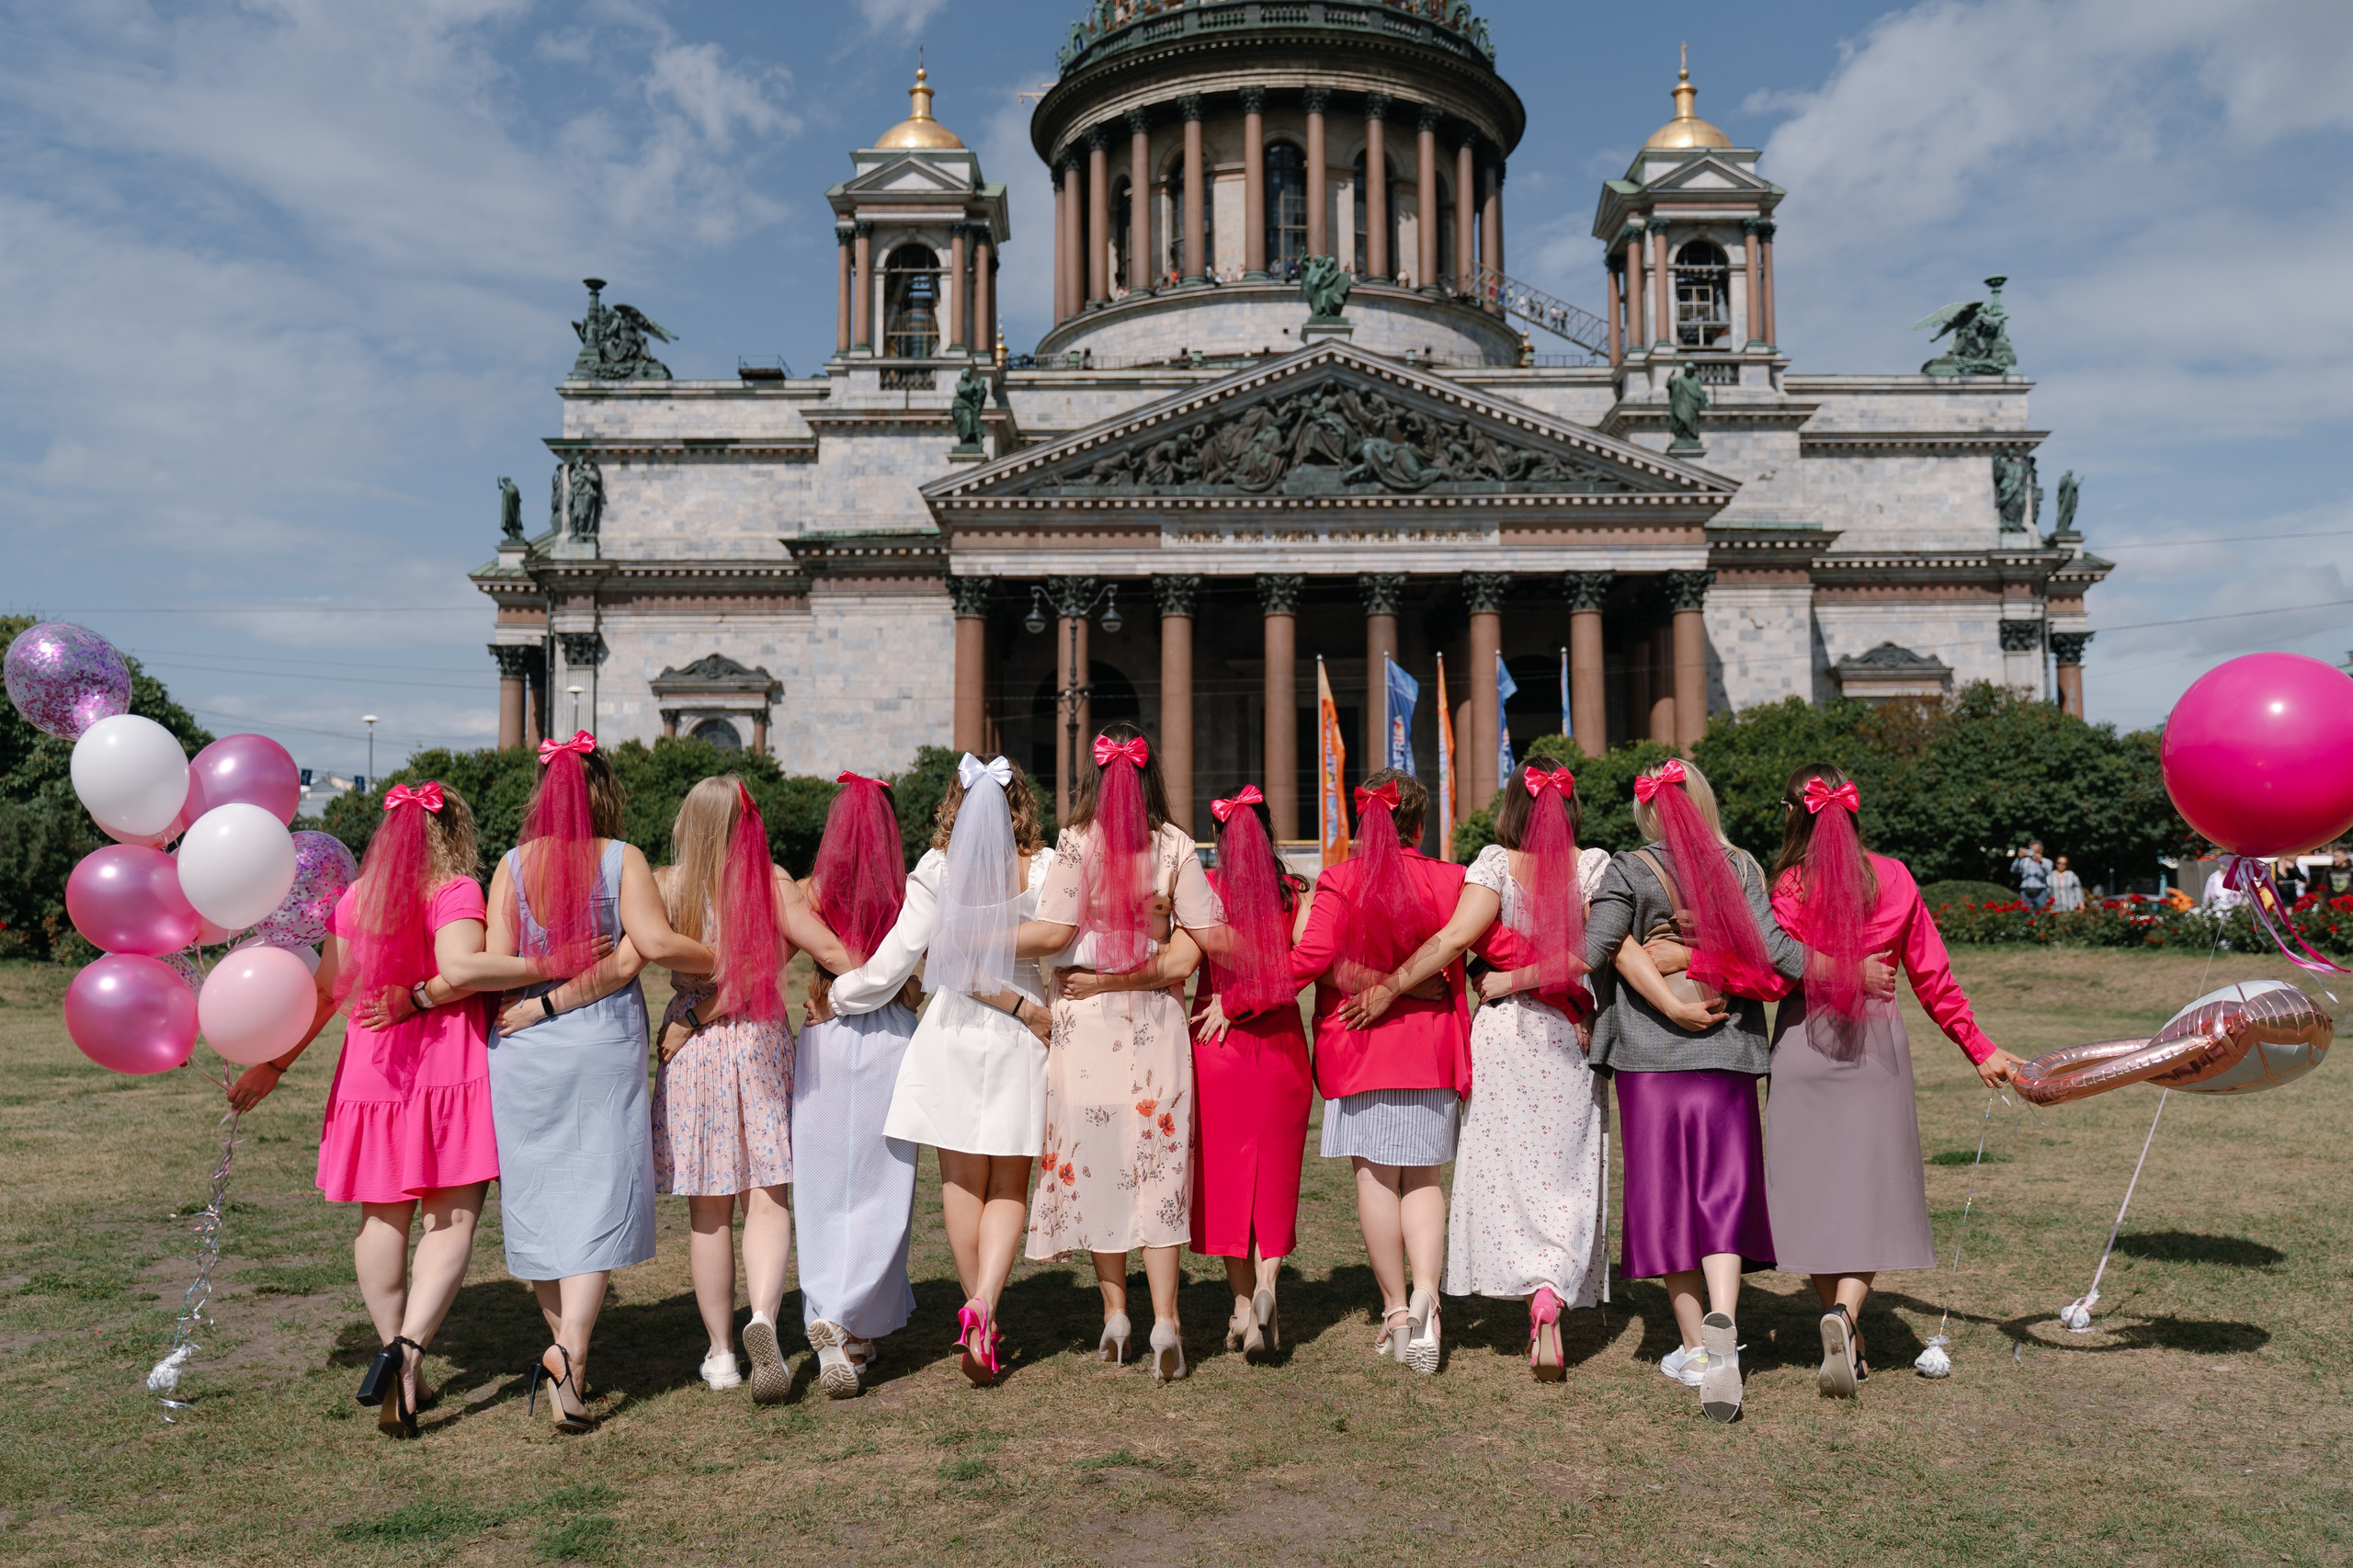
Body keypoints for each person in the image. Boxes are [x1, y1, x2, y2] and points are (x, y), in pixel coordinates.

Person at [223, 780, 591, 1437]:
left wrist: (276, 1064)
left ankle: (391, 1345)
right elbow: (465, 967)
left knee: (381, 1219)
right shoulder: (455, 890)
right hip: (448, 1070)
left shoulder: (356, 898)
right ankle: (410, 1350)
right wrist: (548, 962)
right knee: (449, 1222)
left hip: (370, 1075)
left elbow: (327, 991)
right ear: (455, 831)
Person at [1746, 766, 2022, 1397]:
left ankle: (1843, 1326)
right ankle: (1846, 1317)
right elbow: (1933, 977)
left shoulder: (1785, 884)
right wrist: (1978, 1048)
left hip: (1802, 1044)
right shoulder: (1894, 876)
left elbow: (1771, 976)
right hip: (1876, 1047)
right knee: (1870, 1188)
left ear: (1796, 814)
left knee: (1808, 1190)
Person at [1340, 763, 1612, 1382]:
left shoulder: (1494, 861)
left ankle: (1521, 1288)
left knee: (1508, 1168)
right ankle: (1551, 1294)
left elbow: (1452, 938)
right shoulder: (1595, 865)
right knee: (1568, 1173)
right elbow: (1594, 954)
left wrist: (1389, 987)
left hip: (1507, 1032)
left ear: (1513, 808)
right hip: (1570, 1034)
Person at [484, 732, 714, 1431]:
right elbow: (638, 952)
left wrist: (536, 997)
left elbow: (496, 963)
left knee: (544, 1199)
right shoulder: (623, 859)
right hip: (600, 1039)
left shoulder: (510, 865)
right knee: (598, 1193)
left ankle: (567, 1363)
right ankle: (570, 1354)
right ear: (605, 793)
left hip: (520, 1043)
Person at [1572, 757, 1809, 1423]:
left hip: (1650, 1063)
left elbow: (1594, 949)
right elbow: (1779, 955)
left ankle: (1693, 1347)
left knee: (1667, 1198)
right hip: (1729, 1052)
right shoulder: (1741, 868)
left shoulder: (1625, 868)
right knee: (1724, 1191)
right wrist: (1847, 968)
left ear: (1647, 810)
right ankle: (1725, 1322)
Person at [630, 778, 856, 1403]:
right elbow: (805, 954)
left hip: (694, 1047)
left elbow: (638, 952)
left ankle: (724, 1354)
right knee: (767, 1192)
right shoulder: (772, 879)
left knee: (708, 1208)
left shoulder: (668, 885)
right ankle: (762, 1315)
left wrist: (689, 1014)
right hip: (758, 1039)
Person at [836, 754, 1053, 1387]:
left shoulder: (937, 868)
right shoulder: (1043, 867)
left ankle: (976, 1316)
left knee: (960, 1181)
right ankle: (985, 1303)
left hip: (955, 1029)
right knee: (1011, 1180)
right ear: (1020, 804)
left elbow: (895, 961)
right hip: (1022, 1032)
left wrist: (840, 995)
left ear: (955, 805)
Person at [1017, 723, 1220, 1384]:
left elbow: (1052, 937)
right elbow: (1197, 948)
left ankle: (1115, 1314)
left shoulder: (1075, 843)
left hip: (1085, 1027)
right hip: (1156, 1026)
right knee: (1159, 1168)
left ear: (1096, 779)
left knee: (1099, 1161)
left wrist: (975, 935)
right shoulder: (1178, 846)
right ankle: (1168, 1319)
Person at [1294, 768, 1469, 1375]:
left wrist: (1249, 988)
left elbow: (1313, 958)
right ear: (1420, 824)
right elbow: (1471, 948)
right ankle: (1429, 1296)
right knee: (1423, 1179)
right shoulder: (1452, 880)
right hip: (1430, 1048)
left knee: (1375, 1179)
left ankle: (1396, 1312)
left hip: (1358, 1046)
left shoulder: (1339, 879)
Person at [791, 773, 923, 1398]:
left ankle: (830, 1317)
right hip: (893, 1039)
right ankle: (855, 1325)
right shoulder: (907, 896)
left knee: (821, 1188)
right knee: (883, 1188)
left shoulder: (809, 893)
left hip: (824, 1035)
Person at [1176, 784, 1312, 1363]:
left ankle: (1238, 1302)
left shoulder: (1205, 892)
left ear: (1219, 841)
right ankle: (1266, 1287)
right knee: (1276, 1176)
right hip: (1281, 1046)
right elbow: (1302, 964)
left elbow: (1182, 960)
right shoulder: (1296, 892)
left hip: (1218, 1042)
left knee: (1228, 1177)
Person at [2009, 841, 2053, 911]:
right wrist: (2019, 858)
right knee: (2025, 915)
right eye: (2031, 851)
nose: (2034, 853)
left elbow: (2049, 872)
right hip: (2025, 893)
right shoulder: (2024, 861)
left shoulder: (2047, 861)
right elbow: (2013, 870)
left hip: (2041, 893)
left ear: (2041, 850)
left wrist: (2040, 862)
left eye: (2036, 851)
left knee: (2042, 915)